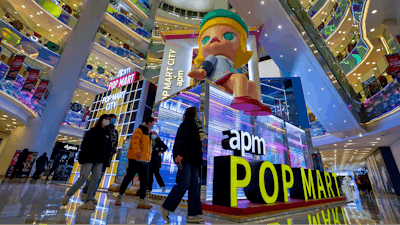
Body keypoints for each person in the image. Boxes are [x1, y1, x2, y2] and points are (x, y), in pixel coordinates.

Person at [188, 9, 271, 116]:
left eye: (228, 36)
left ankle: (256, 105)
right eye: (206, 39)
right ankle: (239, 99)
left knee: (251, 84)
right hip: (216, 79)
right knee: (239, 78)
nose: (214, 39)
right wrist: (201, 72)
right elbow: (206, 65)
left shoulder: (231, 62)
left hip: (227, 79)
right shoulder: (213, 57)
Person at [161, 107, 204, 223]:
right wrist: (178, 155)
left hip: (195, 160)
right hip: (185, 158)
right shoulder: (186, 124)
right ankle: (166, 206)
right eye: (197, 112)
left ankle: (193, 214)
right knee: (183, 184)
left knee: (195, 187)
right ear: (192, 113)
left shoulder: (198, 127)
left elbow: (198, 146)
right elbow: (180, 140)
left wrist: (200, 161)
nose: (199, 114)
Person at [61, 114, 112, 210]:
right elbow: (84, 146)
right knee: (83, 178)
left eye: (109, 119)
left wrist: (106, 164)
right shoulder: (92, 131)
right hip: (89, 158)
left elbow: (108, 150)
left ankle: (88, 200)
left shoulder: (107, 134)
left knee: (95, 180)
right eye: (106, 119)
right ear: (101, 120)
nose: (107, 121)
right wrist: (81, 159)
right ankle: (68, 195)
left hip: (99, 160)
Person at [115, 117, 155, 209]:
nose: (153, 124)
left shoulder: (148, 133)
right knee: (129, 177)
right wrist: (137, 153)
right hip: (136, 159)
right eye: (152, 122)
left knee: (144, 181)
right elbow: (134, 142)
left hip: (145, 161)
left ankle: (142, 200)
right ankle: (120, 197)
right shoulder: (139, 130)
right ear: (149, 122)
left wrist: (148, 158)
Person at [81, 114, 119, 203]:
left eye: (114, 119)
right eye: (111, 119)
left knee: (99, 176)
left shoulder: (115, 132)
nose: (113, 120)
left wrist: (113, 152)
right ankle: (87, 193)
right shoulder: (104, 130)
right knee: (95, 176)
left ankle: (90, 194)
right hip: (99, 156)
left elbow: (115, 143)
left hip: (107, 157)